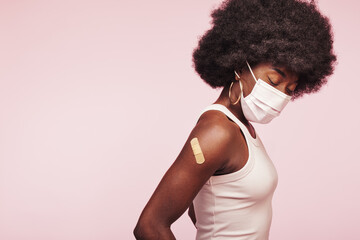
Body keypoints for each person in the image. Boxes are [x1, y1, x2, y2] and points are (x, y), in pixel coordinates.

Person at [133, 0, 336, 239]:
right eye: (273, 80)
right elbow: (150, 225)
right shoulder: (217, 131)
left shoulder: (242, 128)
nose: (280, 94)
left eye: (290, 89)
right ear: (240, 65)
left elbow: (199, 210)